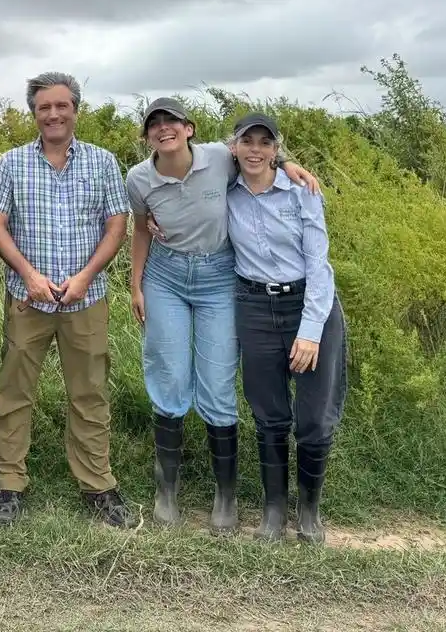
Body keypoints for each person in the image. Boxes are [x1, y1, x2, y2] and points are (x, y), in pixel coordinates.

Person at [126, 97, 318, 533]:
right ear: (148, 136)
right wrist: (135, 285)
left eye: (171, 121)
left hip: (218, 276)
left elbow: (258, 158)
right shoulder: (138, 178)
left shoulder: (217, 157)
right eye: (154, 124)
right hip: (166, 275)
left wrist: (289, 165)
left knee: (216, 382)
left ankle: (225, 497)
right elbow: (141, 228)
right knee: (169, 376)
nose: (163, 128)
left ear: (189, 128)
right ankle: (166, 492)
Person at [0, 72, 134, 528]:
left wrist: (87, 276)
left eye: (61, 105)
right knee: (13, 392)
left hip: (86, 297)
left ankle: (98, 484)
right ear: (34, 114)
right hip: (28, 298)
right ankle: (9, 484)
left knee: (89, 392)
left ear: (75, 110)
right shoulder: (11, 162)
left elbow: (116, 226)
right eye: (44, 107)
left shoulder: (103, 162)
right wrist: (27, 274)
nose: (53, 114)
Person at [226, 112, 346, 544]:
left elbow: (319, 264)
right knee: (268, 413)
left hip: (308, 303)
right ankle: (274, 509)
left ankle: (309, 510)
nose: (255, 150)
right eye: (247, 141)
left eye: (265, 142)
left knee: (314, 416)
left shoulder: (302, 190)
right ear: (234, 146)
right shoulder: (226, 189)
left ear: (277, 150)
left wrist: (311, 330)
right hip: (255, 306)